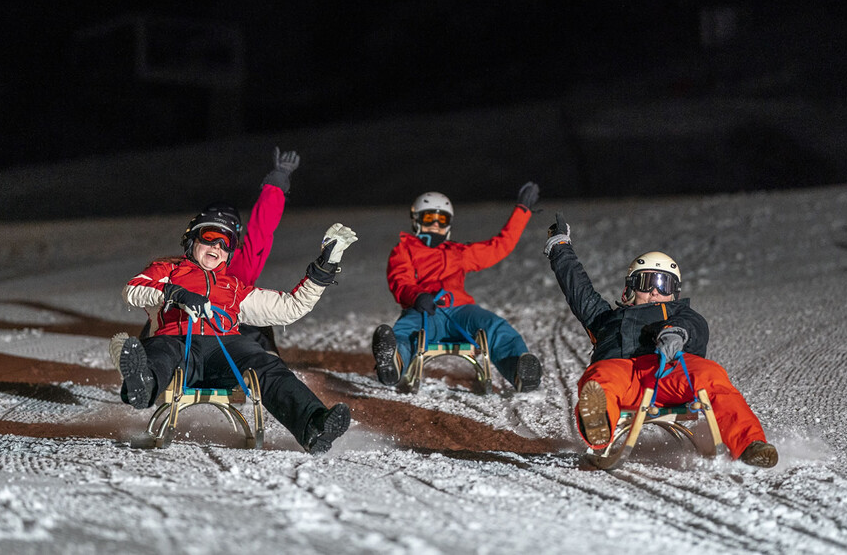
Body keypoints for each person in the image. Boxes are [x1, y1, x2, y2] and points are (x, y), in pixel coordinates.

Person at [116, 206, 358, 455]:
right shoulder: (168, 272)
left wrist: (324, 268)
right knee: (161, 350)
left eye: (226, 242)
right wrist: (175, 293)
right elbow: (133, 291)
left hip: (224, 354)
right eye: (210, 236)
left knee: (262, 361)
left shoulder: (234, 288)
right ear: (192, 240)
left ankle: (313, 425)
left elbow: (291, 307)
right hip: (179, 347)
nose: (217, 246)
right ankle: (143, 385)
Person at [543, 214, 778, 467]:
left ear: (673, 294)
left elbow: (696, 326)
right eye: (647, 282)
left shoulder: (678, 313)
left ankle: (750, 444)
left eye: (664, 285)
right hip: (623, 374)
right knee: (599, 380)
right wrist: (560, 247)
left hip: (669, 370)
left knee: (710, 374)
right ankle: (599, 427)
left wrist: (676, 332)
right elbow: (579, 289)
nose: (656, 291)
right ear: (630, 289)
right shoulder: (604, 318)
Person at [372, 183, 544, 392]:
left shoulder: (457, 252)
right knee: (406, 331)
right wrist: (417, 297)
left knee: (492, 324)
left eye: (441, 219)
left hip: (460, 311)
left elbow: (499, 247)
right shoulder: (404, 250)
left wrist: (522, 212)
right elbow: (400, 280)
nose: (435, 224)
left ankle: (519, 369)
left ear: (448, 224)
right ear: (416, 219)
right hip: (423, 311)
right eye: (429, 218)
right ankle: (393, 362)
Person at [135, 146, 300, 355]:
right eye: (211, 236)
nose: (216, 246)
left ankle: (268, 366)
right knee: (160, 317)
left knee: (257, 321)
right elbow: (144, 291)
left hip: (221, 331)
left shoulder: (236, 261)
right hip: (193, 331)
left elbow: (262, 227)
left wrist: (276, 184)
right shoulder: (182, 266)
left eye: (224, 238)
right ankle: (147, 365)